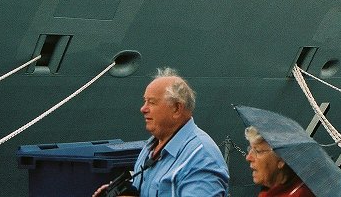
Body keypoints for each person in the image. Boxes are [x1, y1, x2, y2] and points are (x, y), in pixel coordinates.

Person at [93, 68, 229, 197]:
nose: (143, 109)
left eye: (151, 102)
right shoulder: (150, 146)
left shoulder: (201, 158)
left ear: (176, 108)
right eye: (144, 101)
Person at [244, 125, 314, 196]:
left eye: (258, 151)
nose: (248, 157)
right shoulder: (269, 192)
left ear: (282, 159)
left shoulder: (300, 193)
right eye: (250, 149)